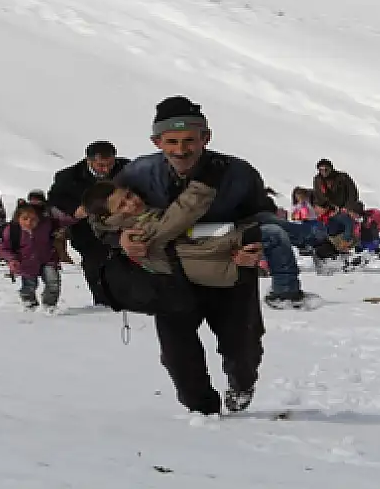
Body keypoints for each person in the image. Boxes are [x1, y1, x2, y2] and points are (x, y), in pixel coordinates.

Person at [111, 95, 281, 415]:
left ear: (206, 137)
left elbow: (265, 216)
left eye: (189, 140)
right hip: (170, 274)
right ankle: (205, 418)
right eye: (171, 141)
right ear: (156, 141)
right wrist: (120, 238)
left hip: (230, 270)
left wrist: (255, 245)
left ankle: (241, 385)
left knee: (242, 348)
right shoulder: (137, 174)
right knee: (178, 356)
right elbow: (102, 216)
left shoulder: (238, 172)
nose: (180, 150)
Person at [82, 179, 262, 287]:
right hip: (228, 269)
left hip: (231, 263)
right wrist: (202, 186)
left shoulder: (149, 215)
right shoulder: (136, 236)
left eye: (129, 196)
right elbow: (179, 218)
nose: (132, 203)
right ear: (109, 218)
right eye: (122, 205)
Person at [48, 142, 130, 304]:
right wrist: (74, 209)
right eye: (101, 165)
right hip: (87, 230)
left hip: (122, 225)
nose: (106, 169)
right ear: (89, 161)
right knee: (94, 263)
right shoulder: (68, 176)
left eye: (110, 164)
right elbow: (55, 199)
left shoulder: (128, 168)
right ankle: (103, 302)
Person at [0, 203, 75, 311]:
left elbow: (65, 221)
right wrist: (12, 259)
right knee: (29, 286)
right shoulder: (12, 231)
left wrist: (77, 215)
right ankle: (29, 303)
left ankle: (49, 305)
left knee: (53, 282)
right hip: (26, 263)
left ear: (39, 219)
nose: (29, 222)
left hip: (48, 260)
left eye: (33, 219)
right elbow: (3, 248)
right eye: (25, 219)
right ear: (17, 218)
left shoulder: (47, 225)